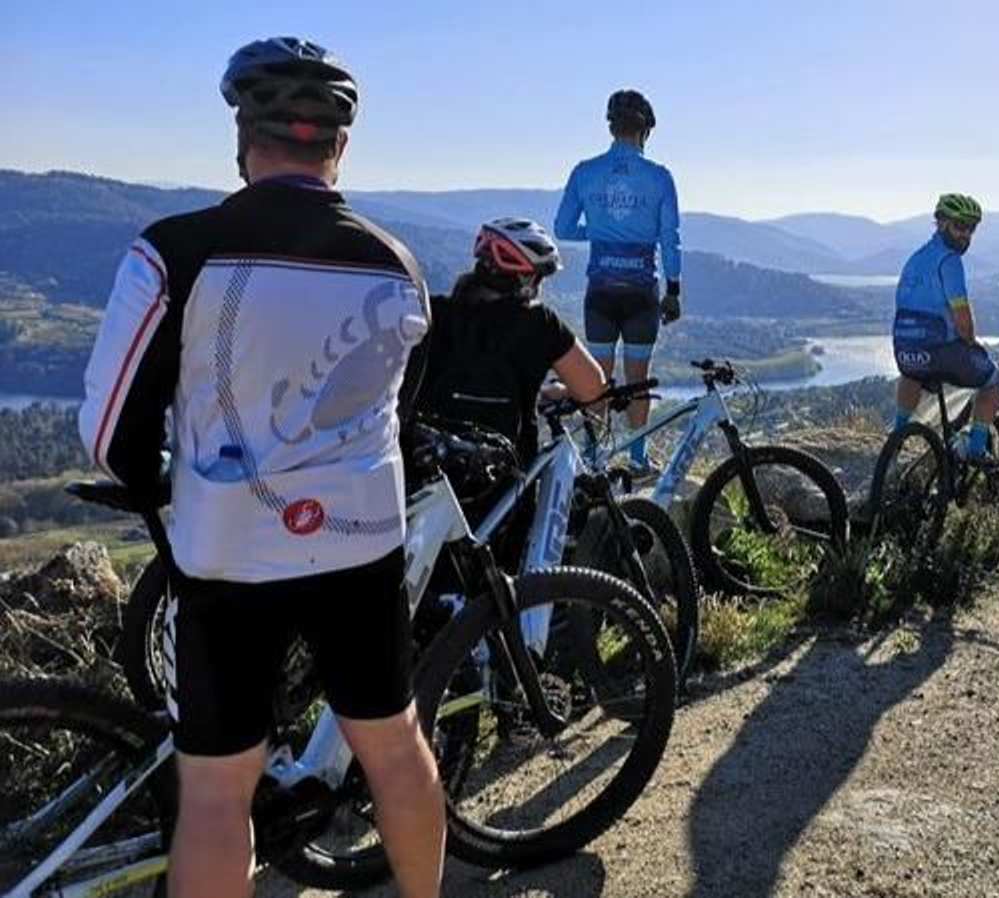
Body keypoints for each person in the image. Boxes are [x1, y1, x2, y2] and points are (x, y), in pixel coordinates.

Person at [77, 37, 444, 898]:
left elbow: (109, 431)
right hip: (361, 542)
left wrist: (156, 473)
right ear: (340, 147)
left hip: (229, 548)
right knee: (395, 746)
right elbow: (400, 403)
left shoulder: (175, 251)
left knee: (216, 789)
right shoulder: (399, 266)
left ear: (243, 139)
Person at [554, 89, 681, 473]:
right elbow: (670, 238)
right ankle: (638, 459)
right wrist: (674, 289)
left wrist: (597, 230)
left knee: (596, 380)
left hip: (601, 290)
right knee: (638, 380)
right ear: (646, 132)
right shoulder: (660, 177)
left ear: (611, 127)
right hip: (641, 291)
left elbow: (563, 228)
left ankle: (595, 461)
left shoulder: (585, 172)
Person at [416, 217, 606, 464]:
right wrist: (561, 391)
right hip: (507, 475)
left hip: (426, 469)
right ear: (528, 280)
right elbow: (592, 387)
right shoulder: (540, 323)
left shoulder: (432, 312)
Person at [890, 193, 999, 459]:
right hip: (941, 351)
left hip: (904, 349)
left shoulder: (915, 259)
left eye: (971, 228)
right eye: (960, 226)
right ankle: (975, 449)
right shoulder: (950, 260)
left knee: (911, 375)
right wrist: (972, 343)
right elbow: (963, 321)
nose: (966, 235)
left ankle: (896, 437)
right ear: (941, 223)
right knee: (993, 379)